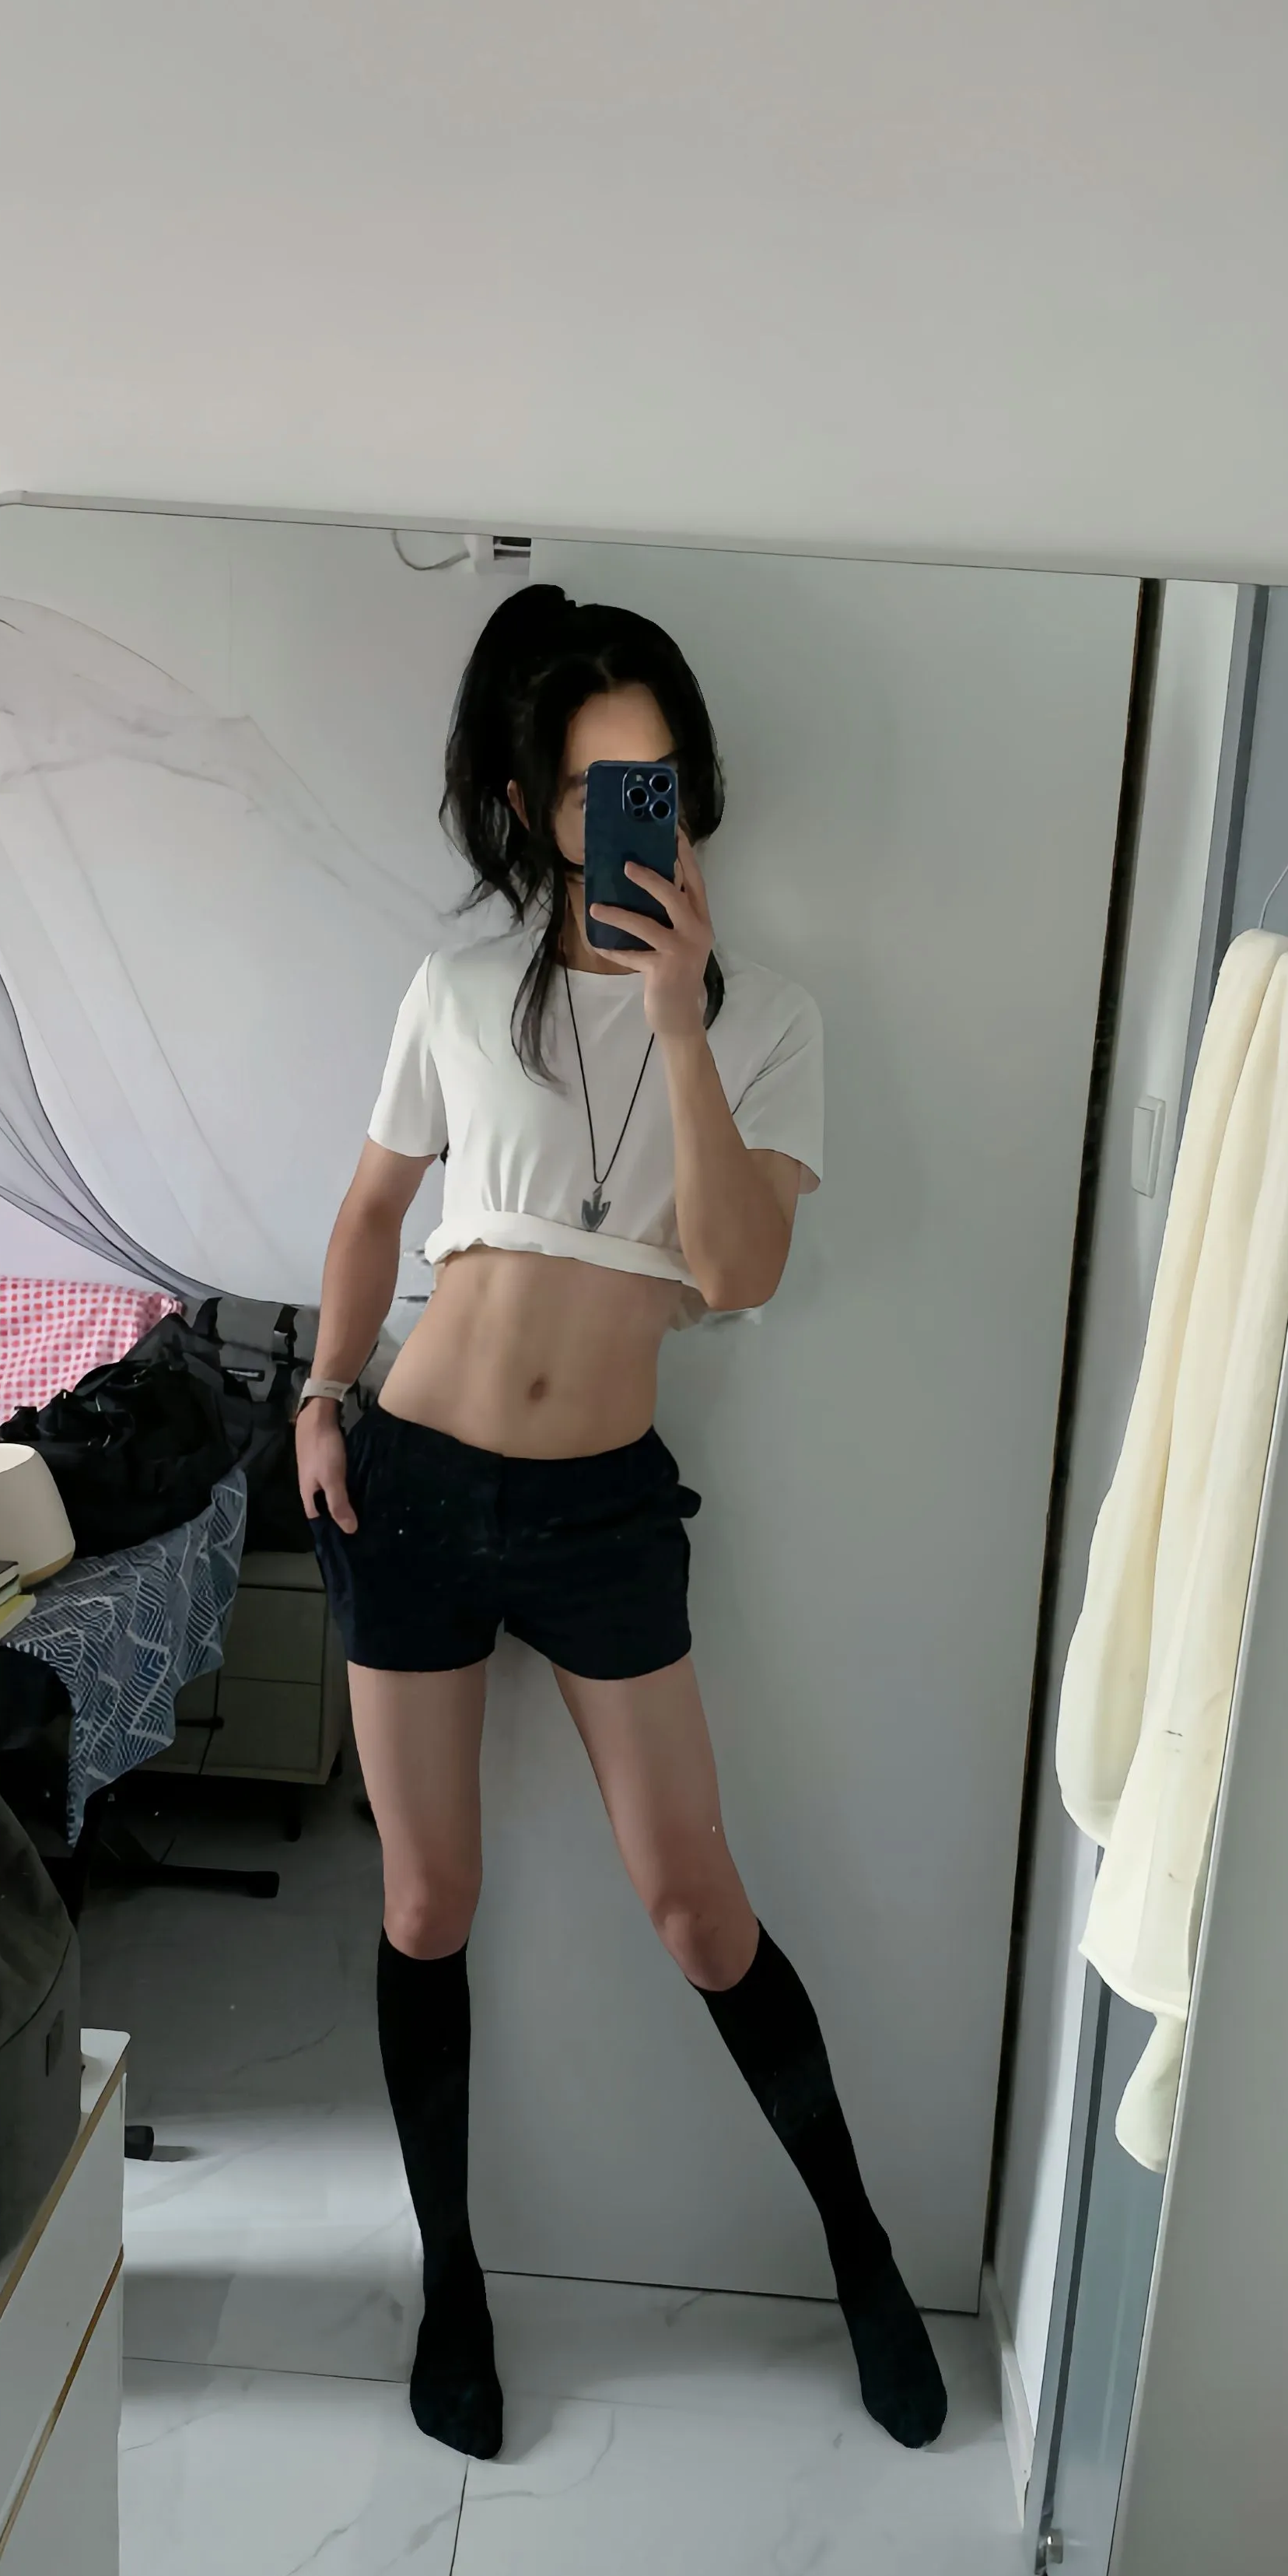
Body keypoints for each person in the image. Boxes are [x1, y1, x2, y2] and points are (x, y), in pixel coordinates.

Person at [299, 583, 945, 2459]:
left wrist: (678, 1022)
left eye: (651, 780)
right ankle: (454, 2282)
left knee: (696, 1903)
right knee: (426, 1900)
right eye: (591, 790)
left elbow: (737, 1274)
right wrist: (319, 1394)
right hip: (414, 1480)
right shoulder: (452, 996)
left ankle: (864, 2257)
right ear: (531, 805)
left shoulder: (773, 1021)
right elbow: (370, 1215)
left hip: (600, 1512)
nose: (623, 818)